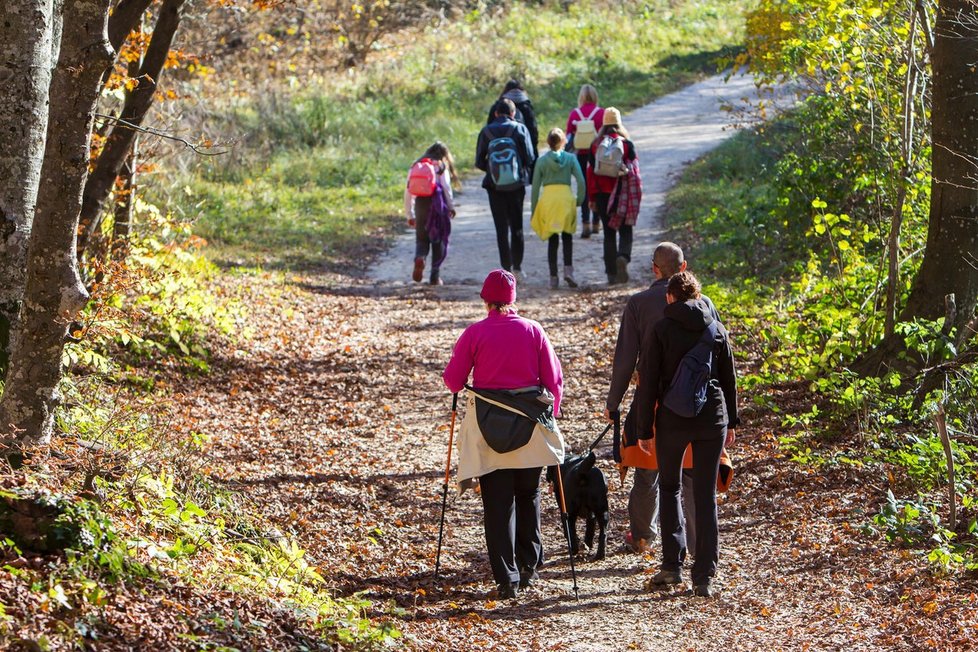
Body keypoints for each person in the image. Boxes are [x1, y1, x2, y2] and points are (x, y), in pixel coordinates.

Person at [443, 270, 565, 600]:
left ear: (485, 300)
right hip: (529, 428)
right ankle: (529, 566)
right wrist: (550, 417)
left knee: (498, 503)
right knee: (528, 494)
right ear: (514, 299)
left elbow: (454, 382)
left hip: (488, 428)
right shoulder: (533, 330)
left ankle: (506, 578)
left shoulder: (474, 334)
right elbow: (554, 381)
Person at [605, 243, 719, 554]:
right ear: (684, 268)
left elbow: (625, 359)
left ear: (655, 269)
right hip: (697, 401)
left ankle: (643, 535)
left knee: (648, 472)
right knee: (693, 476)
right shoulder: (705, 303)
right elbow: (718, 355)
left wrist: (613, 402)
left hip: (654, 401)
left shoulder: (639, 304)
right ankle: (697, 546)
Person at [636, 271, 739, 598]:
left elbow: (648, 381)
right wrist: (732, 422)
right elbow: (728, 378)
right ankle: (704, 576)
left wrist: (643, 428)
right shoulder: (715, 328)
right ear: (697, 296)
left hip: (672, 418)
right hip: (712, 418)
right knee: (705, 495)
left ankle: (672, 565)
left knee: (669, 487)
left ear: (669, 297)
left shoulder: (661, 329)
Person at [476, 99, 537, 279]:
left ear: (495, 114)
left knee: (501, 228)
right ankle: (518, 267)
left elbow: (479, 162)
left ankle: (506, 268)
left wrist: (494, 171)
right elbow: (530, 158)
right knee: (517, 226)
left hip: (494, 187)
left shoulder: (486, 131)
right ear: (513, 113)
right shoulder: (519, 129)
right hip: (516, 186)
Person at [586, 107, 638, 284]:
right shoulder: (627, 144)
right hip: (621, 195)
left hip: (602, 195)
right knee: (625, 228)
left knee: (608, 234)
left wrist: (591, 198)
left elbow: (590, 173)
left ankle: (611, 274)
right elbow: (634, 172)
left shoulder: (595, 145)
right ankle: (623, 256)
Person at [530, 128, 585, 290]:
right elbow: (581, 181)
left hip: (549, 200)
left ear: (548, 142)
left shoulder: (541, 161)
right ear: (563, 142)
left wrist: (535, 209)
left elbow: (535, 188)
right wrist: (579, 200)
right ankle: (569, 271)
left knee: (552, 239)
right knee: (567, 236)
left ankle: (553, 277)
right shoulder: (571, 158)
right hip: (566, 199)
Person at [404, 142, 460, 285]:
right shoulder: (440, 166)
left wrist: (410, 214)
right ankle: (434, 276)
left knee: (421, 239)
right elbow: (446, 189)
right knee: (438, 240)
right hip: (437, 206)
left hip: (420, 205)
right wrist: (451, 207)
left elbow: (408, 192)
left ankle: (420, 257)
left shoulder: (417, 165)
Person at [565, 84, 603, 239]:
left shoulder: (575, 113)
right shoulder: (601, 113)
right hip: (597, 154)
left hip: (580, 154)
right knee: (597, 186)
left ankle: (585, 222)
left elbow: (568, 135)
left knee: (584, 186)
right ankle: (596, 222)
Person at [487, 79, 539, 161]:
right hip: (520, 154)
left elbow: (488, 128)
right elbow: (533, 132)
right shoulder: (526, 106)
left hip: (497, 155)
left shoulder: (497, 106)